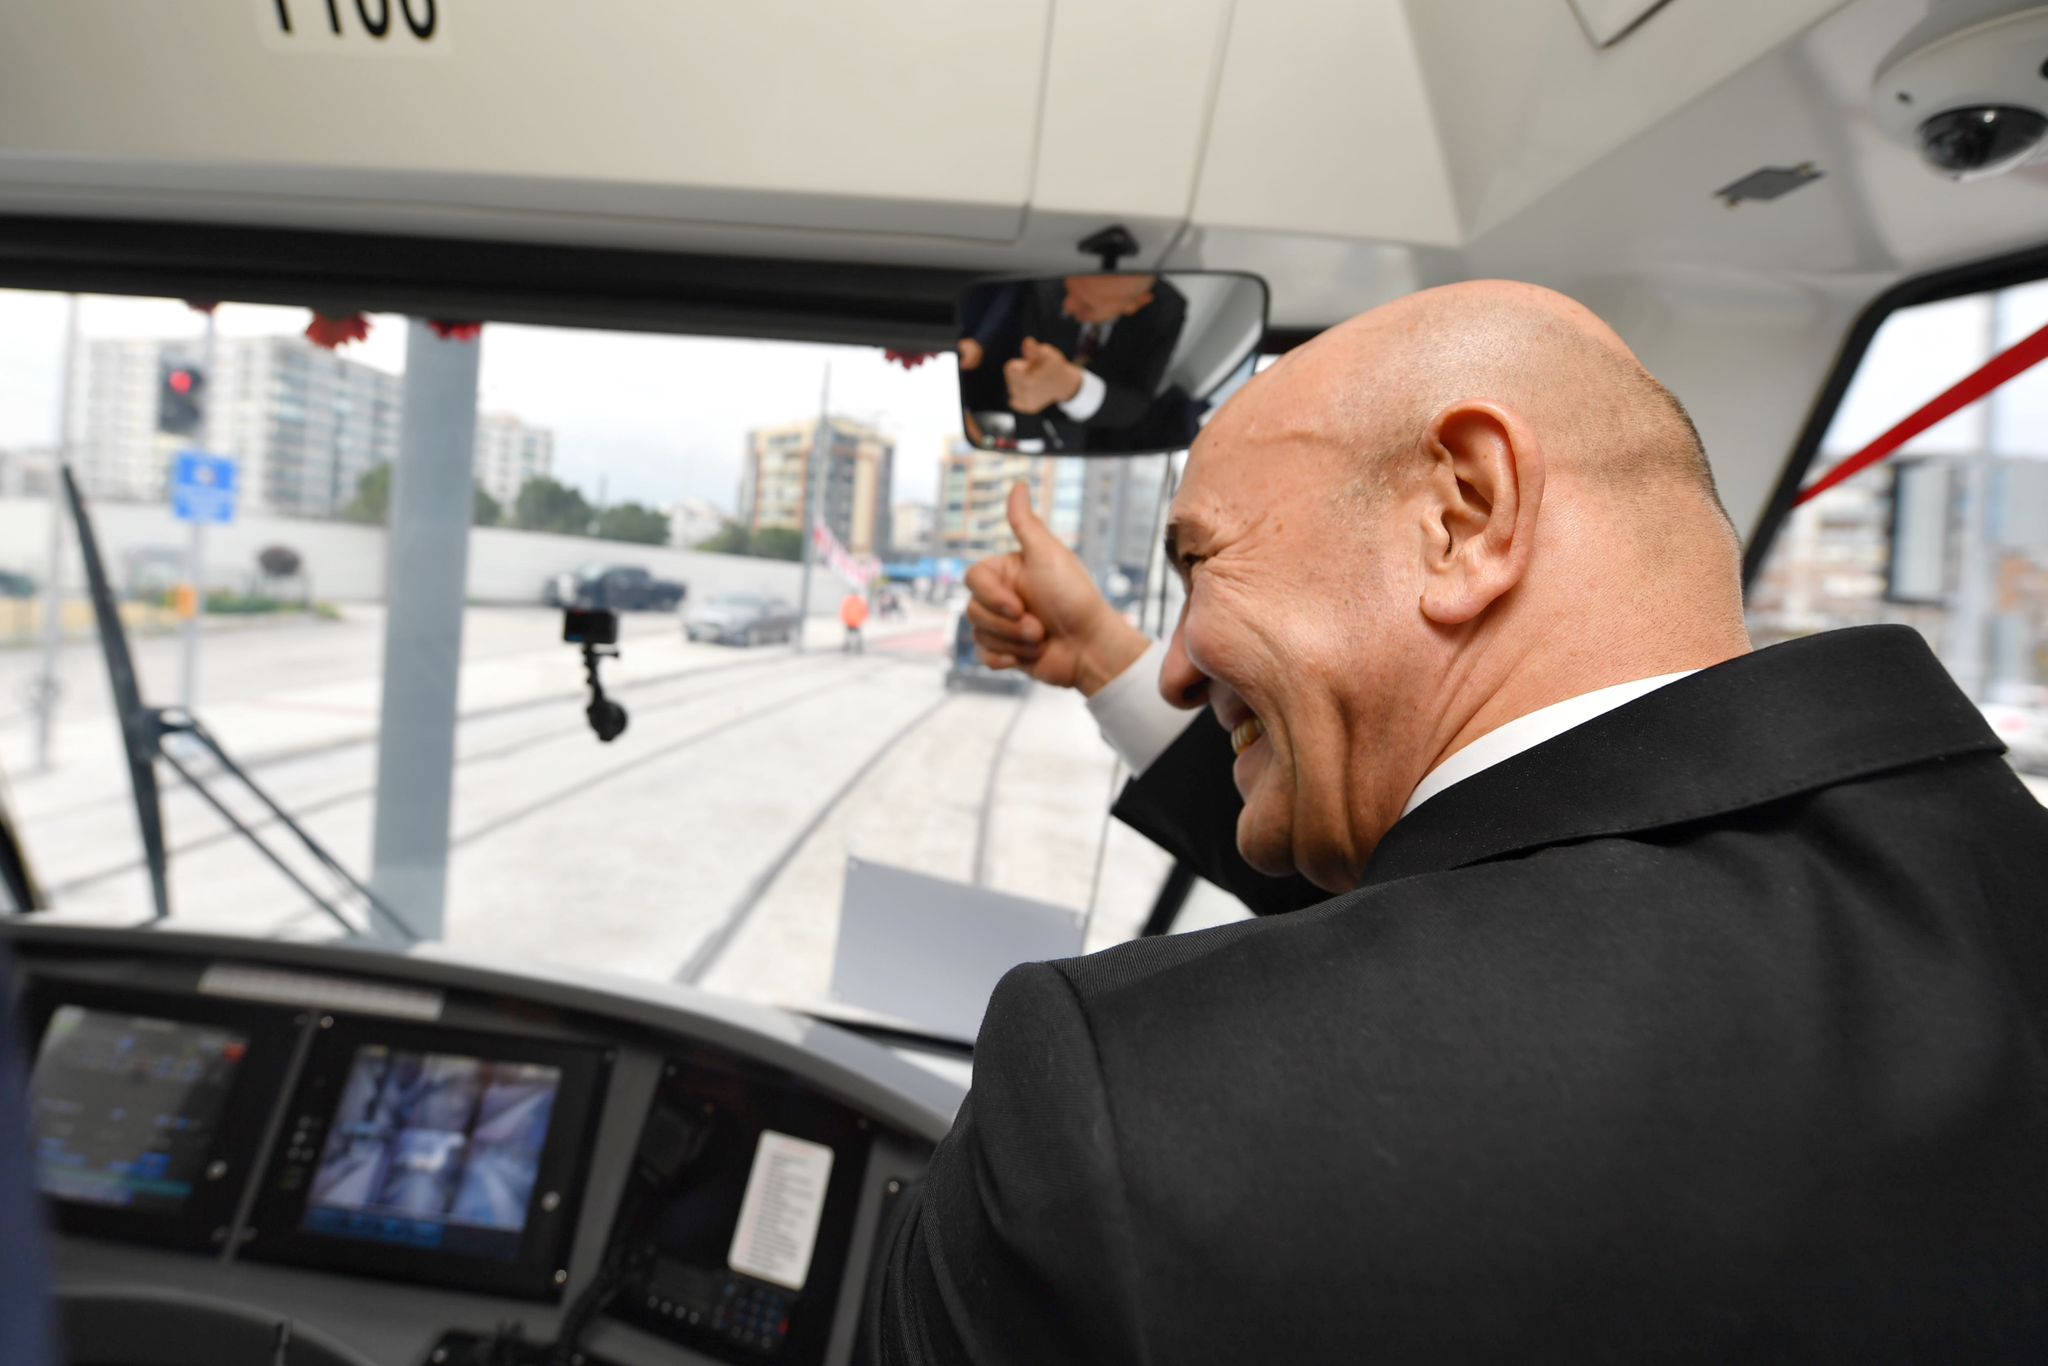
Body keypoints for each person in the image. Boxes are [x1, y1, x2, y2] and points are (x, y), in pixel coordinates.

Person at [869, 281, 2048, 1363]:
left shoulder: (1114, 1109)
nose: (1177, 668)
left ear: (1462, 513)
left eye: (1202, 562)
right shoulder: (1968, 893)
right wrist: (1101, 659)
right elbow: (1484, 910)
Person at [958, 274, 1190, 453]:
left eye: (1087, 306)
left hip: (1088, 429)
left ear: (1136, 303)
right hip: (1007, 405)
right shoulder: (1046, 284)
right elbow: (1025, 372)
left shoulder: (1166, 311)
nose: (1067, 306)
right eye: (1069, 291)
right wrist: (1029, 442)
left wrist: (1071, 386)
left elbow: (1136, 402)